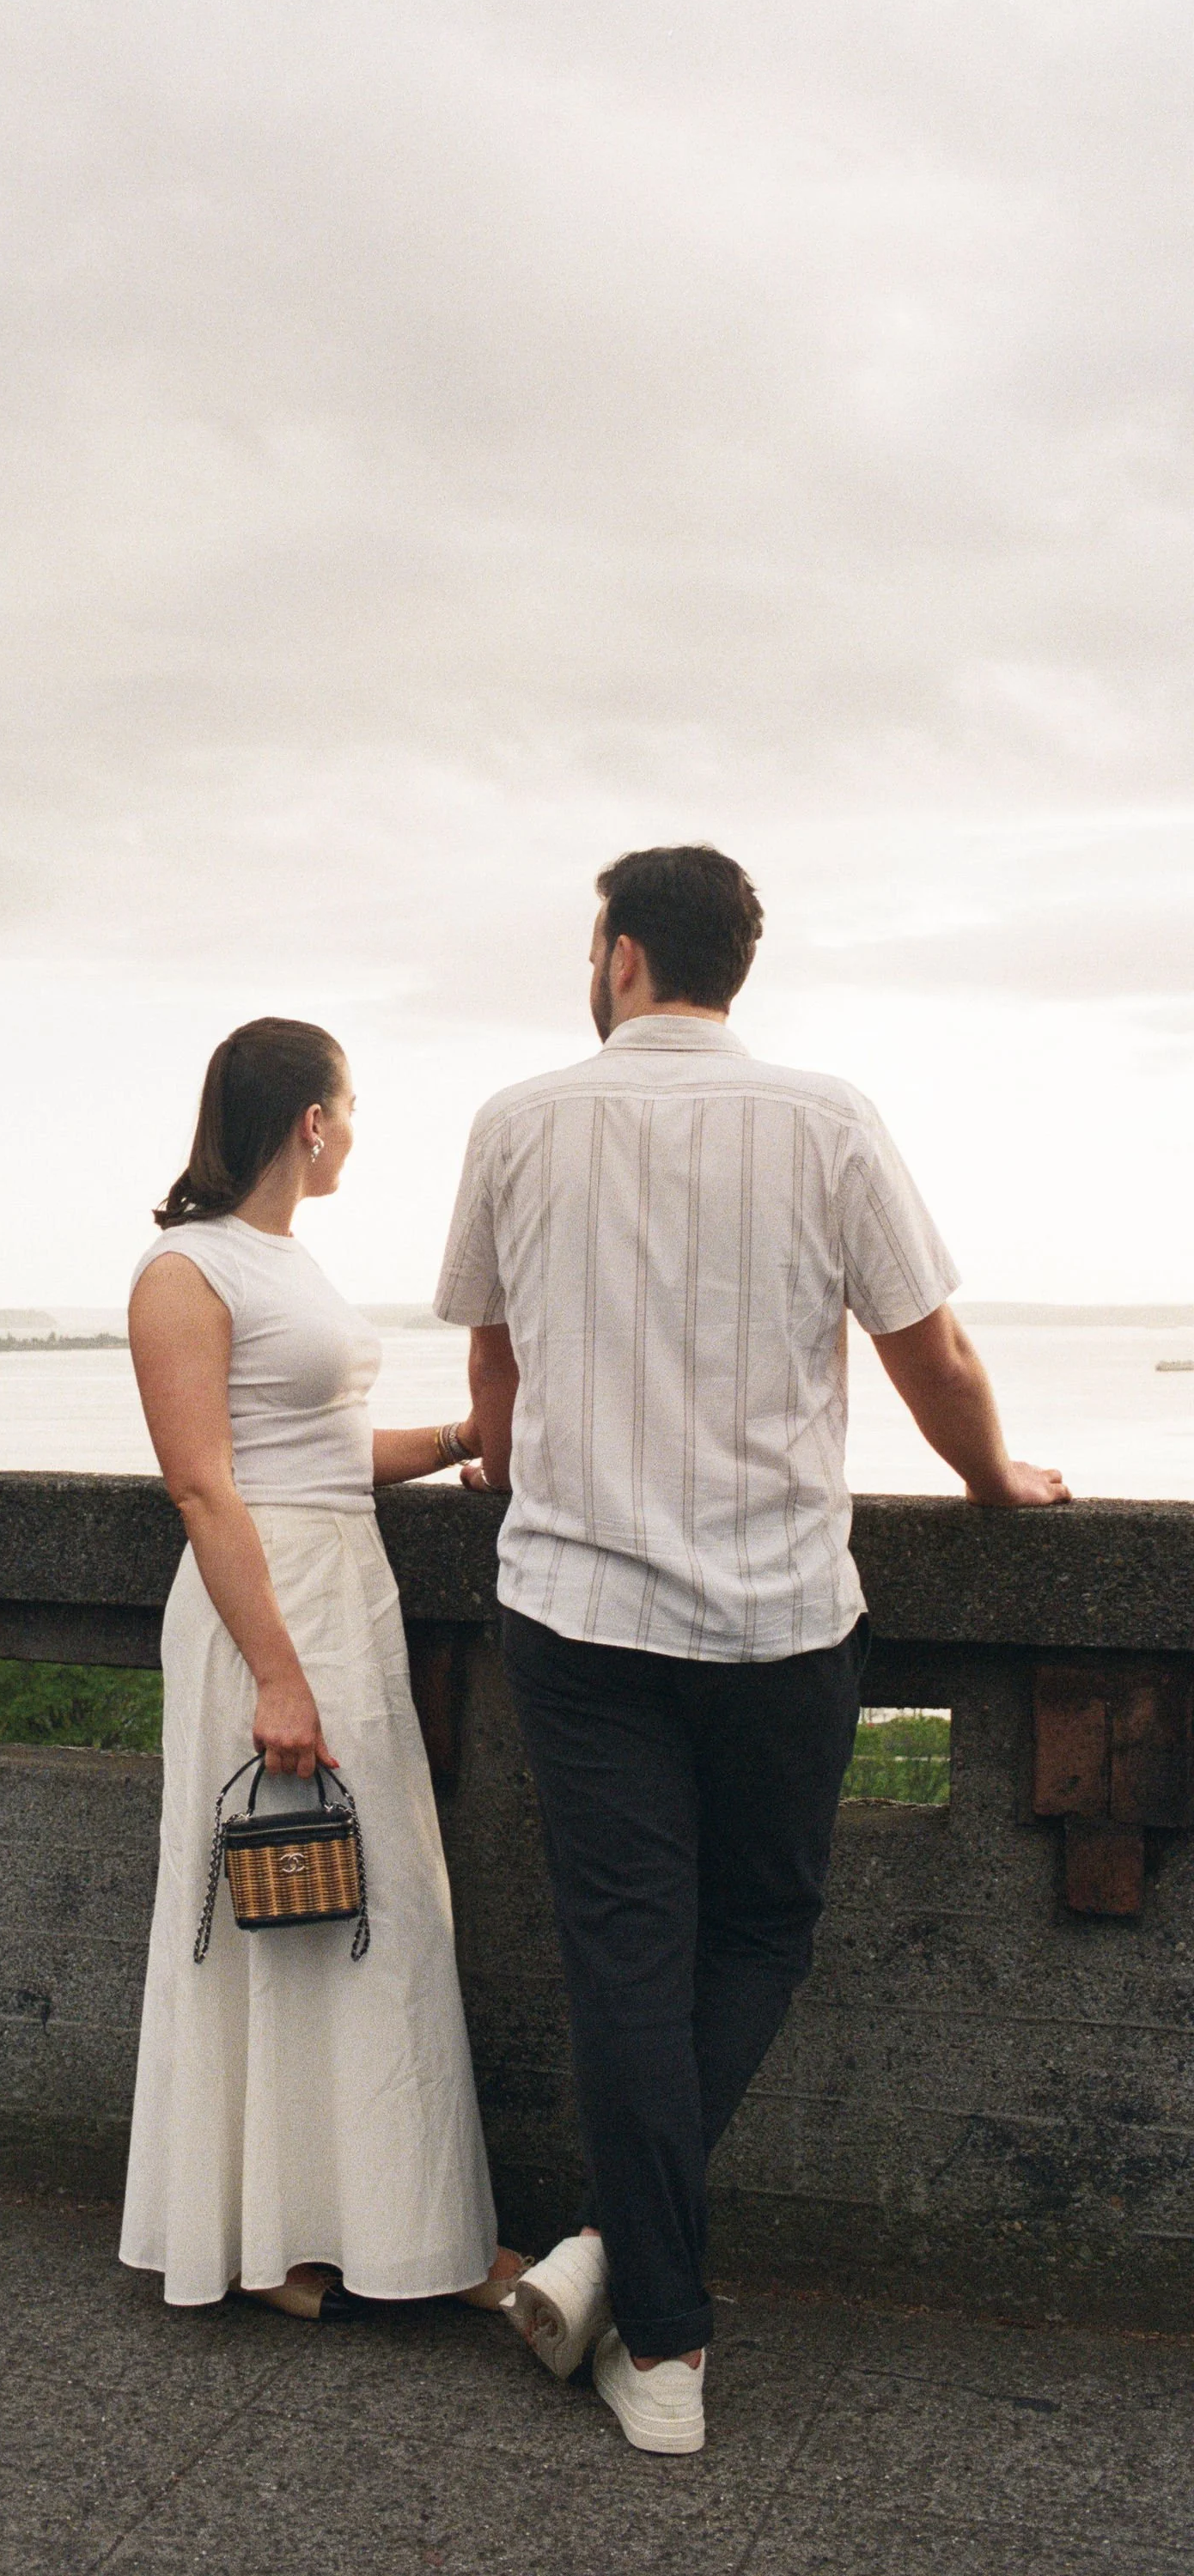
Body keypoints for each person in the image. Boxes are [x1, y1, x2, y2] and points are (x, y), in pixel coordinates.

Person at [436, 845, 1069, 2452]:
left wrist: (508, 1457)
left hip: (578, 1614)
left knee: (625, 1954)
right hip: (784, 1613)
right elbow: (931, 1355)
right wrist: (995, 1482)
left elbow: (493, 1372)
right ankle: (642, 2291)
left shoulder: (518, 1121)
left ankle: (645, 2317)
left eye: (594, 943)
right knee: (763, 1929)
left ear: (625, 955)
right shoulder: (829, 1118)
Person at [120, 1015, 524, 2319]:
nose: (355, 1134)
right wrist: (277, 1676)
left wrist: (466, 1434)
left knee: (368, 1903)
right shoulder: (184, 1271)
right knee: (272, 1907)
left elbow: (325, 1449)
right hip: (265, 1606)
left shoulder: (289, 1263)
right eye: (349, 1112)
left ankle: (365, 2230)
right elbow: (202, 1481)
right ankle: (273, 2238)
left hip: (344, 1586)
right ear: (311, 1121)